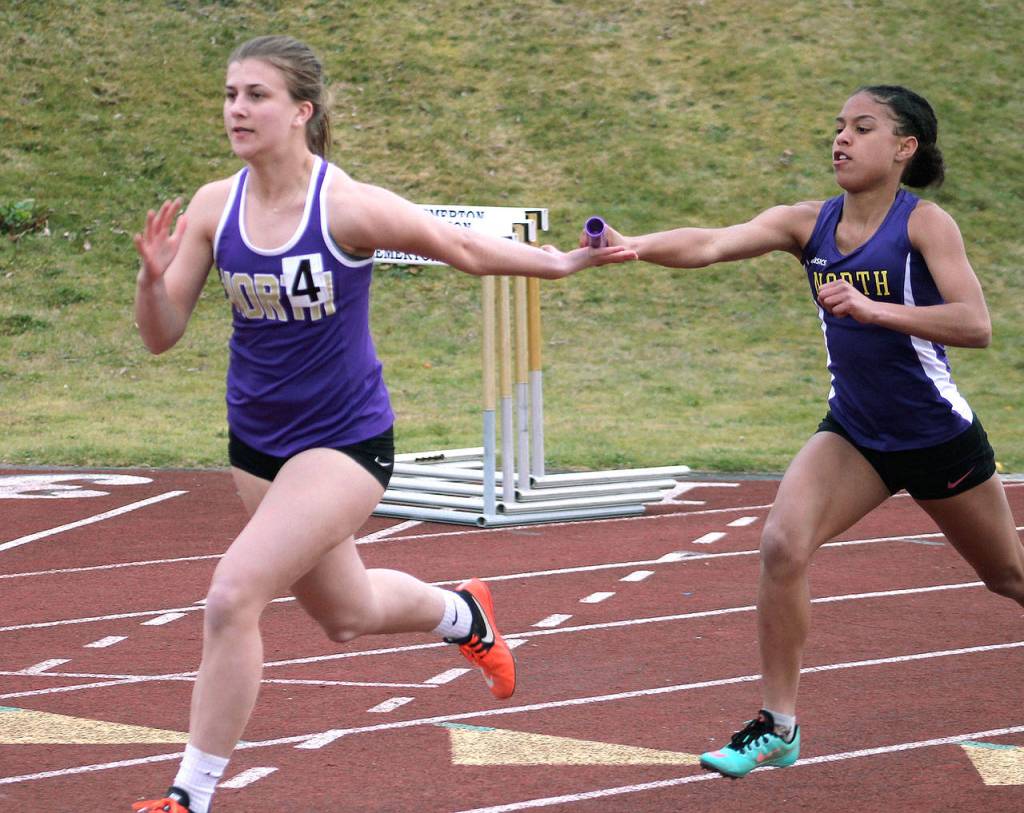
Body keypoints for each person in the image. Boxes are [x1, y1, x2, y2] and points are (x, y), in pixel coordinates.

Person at [130, 35, 636, 813]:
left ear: (302, 110)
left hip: (343, 444)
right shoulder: (211, 206)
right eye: (230, 94)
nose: (237, 109)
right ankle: (461, 611)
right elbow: (161, 334)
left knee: (233, 594)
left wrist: (565, 263)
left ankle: (186, 796)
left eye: (256, 95)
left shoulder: (347, 206)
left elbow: (463, 248)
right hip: (255, 446)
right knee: (346, 613)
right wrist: (151, 280)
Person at [592, 85, 1024, 779]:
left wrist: (874, 309)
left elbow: (976, 324)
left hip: (936, 437)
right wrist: (634, 247)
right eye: (837, 128)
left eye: (862, 127)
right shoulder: (808, 223)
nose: (842, 140)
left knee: (1007, 575)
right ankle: (779, 725)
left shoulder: (926, 225)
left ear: (904, 148)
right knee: (782, 543)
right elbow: (710, 242)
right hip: (855, 434)